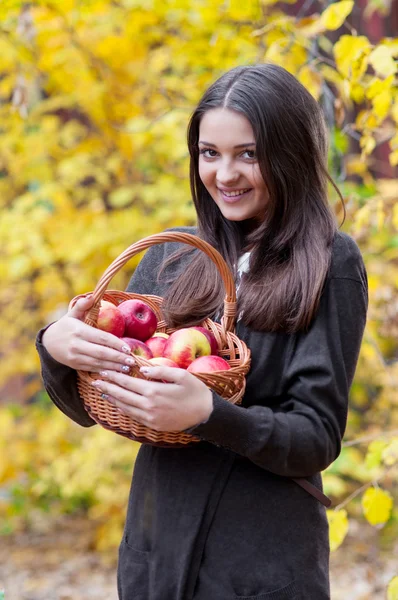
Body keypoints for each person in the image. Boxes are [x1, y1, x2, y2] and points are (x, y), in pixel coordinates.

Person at [36, 63, 368, 600]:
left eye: (249, 154)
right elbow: (93, 407)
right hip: (158, 551)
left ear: (289, 155)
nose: (225, 174)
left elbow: (315, 438)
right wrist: (57, 347)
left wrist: (213, 416)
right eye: (210, 153)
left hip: (261, 561)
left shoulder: (329, 264)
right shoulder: (173, 257)